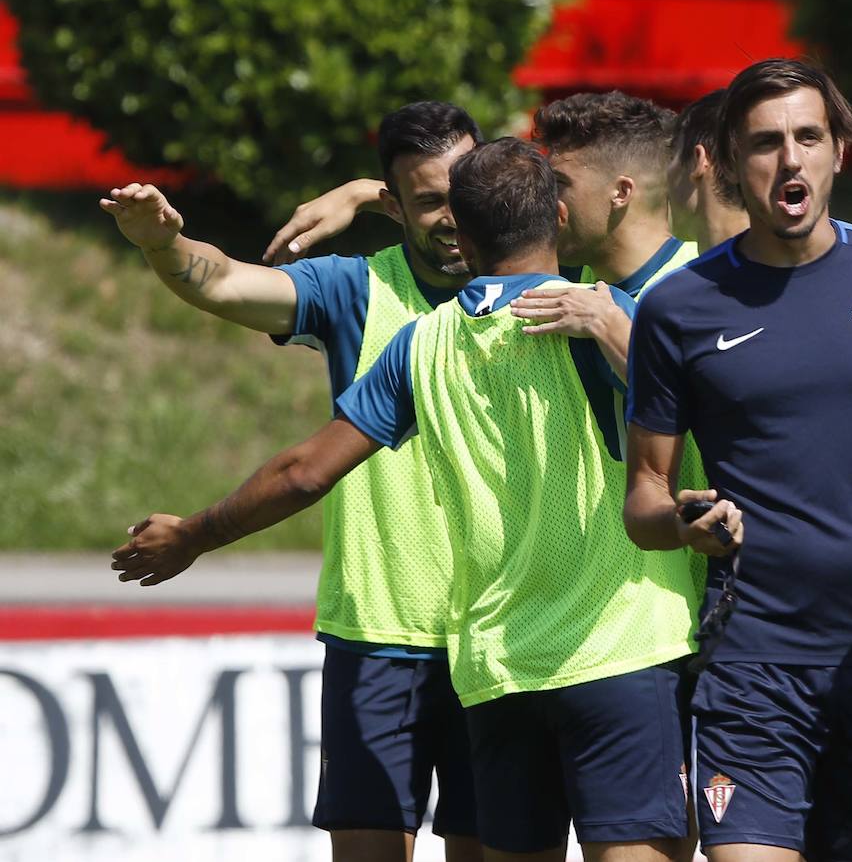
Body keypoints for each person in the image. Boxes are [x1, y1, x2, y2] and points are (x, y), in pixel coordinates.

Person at [111, 137, 704, 862]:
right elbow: (728, 397)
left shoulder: (422, 345)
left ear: (464, 232)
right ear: (555, 213)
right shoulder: (610, 316)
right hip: (624, 653)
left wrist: (198, 532)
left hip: (501, 666)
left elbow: (306, 471)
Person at [622, 58, 852, 862]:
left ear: (838, 151)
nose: (789, 159)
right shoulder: (676, 309)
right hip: (751, 661)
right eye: (765, 143)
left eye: (807, 137)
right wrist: (682, 526)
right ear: (728, 162)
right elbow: (644, 499)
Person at [100, 100, 484, 862]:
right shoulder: (353, 288)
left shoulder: (547, 278)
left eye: (461, 192)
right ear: (396, 204)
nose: (449, 217)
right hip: (377, 631)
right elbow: (227, 286)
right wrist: (163, 247)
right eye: (427, 200)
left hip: (507, 634)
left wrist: (351, 192)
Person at [664, 88, 750, 250]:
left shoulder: (680, 276)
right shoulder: (792, 266)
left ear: (699, 161)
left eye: (671, 156)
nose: (665, 177)